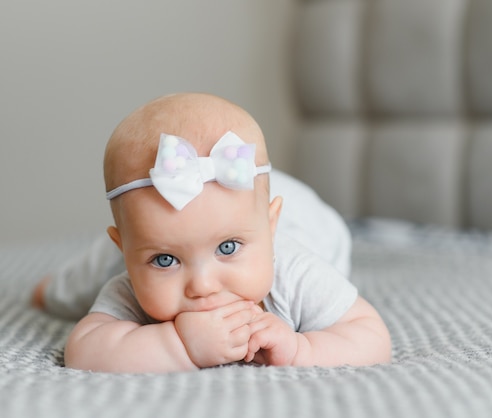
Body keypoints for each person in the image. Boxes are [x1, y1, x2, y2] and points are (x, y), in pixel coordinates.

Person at [33, 93, 391, 373]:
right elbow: (85, 349)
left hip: (309, 220)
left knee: (307, 236)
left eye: (228, 248)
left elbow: (370, 336)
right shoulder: (129, 273)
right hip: (214, 214)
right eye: (165, 259)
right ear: (126, 251)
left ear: (270, 227)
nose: (202, 286)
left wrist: (300, 349)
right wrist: (178, 344)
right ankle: (53, 287)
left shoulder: (295, 271)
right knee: (93, 275)